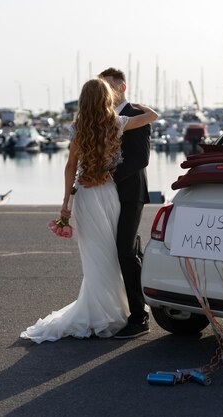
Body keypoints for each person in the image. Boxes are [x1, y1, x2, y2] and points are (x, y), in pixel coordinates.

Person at [20, 78, 158, 343]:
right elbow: (153, 116)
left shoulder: (77, 127)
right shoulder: (117, 123)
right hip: (109, 193)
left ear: (83, 101)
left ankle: (99, 311)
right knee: (113, 253)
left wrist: (65, 202)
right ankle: (122, 311)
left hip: (85, 196)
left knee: (95, 258)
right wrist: (141, 105)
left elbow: (70, 166)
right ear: (107, 98)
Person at [97, 67, 153, 339]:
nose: (105, 91)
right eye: (101, 86)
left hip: (130, 193)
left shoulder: (135, 115)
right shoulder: (104, 117)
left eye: (109, 85)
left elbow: (140, 159)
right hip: (105, 196)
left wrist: (107, 175)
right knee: (120, 250)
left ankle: (140, 318)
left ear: (122, 87)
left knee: (124, 252)